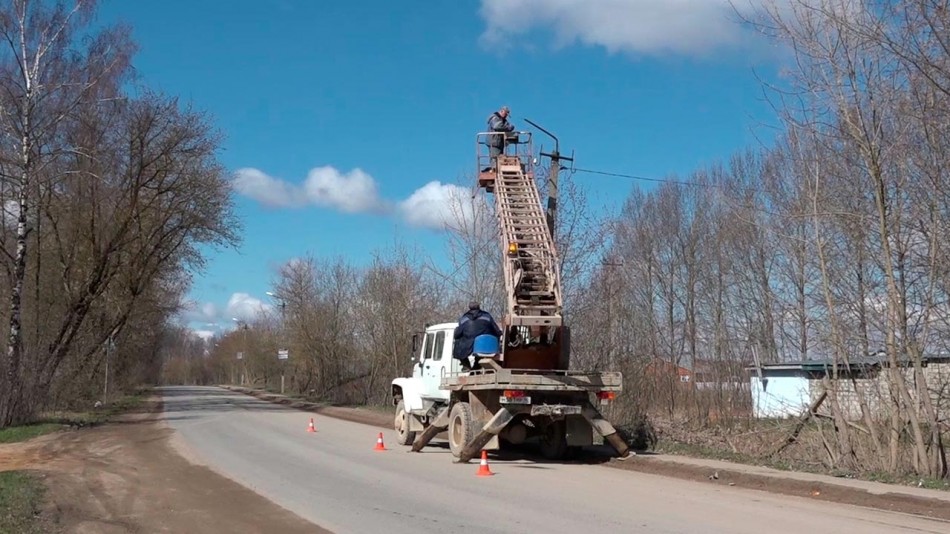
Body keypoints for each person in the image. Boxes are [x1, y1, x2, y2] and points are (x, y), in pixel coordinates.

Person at [453, 301, 503, 370]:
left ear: (469, 308)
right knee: (479, 351)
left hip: (468, 345)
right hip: (485, 344)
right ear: (479, 307)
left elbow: (457, 334)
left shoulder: (464, 318)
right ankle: (476, 366)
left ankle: (466, 364)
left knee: (458, 341)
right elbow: (496, 330)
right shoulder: (487, 316)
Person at [483, 105, 515, 171]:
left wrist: (511, 127)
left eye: (507, 115)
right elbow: (497, 126)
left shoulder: (503, 120)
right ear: (502, 111)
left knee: (500, 160)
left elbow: (506, 126)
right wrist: (508, 128)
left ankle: (498, 170)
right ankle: (495, 170)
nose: (506, 116)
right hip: (494, 143)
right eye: (505, 114)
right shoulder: (494, 118)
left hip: (500, 143)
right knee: (495, 160)